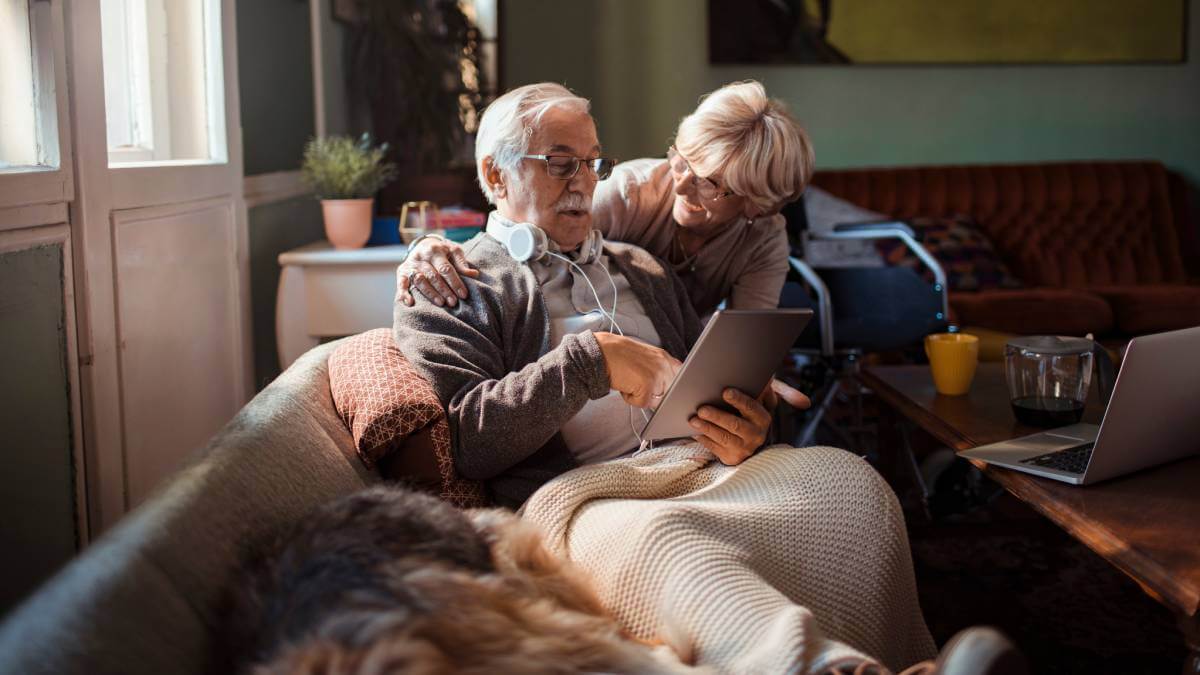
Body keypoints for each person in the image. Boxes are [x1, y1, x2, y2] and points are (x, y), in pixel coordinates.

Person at [392, 82, 1022, 674]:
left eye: (591, 161)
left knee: (849, 485)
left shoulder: (641, 266)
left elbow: (711, 373)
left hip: (695, 463)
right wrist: (592, 359)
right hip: (584, 494)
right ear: (496, 176)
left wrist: (748, 423)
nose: (584, 181)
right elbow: (467, 443)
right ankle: (831, 667)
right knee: (670, 542)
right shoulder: (452, 285)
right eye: (561, 163)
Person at [395, 79, 813, 320]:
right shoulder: (627, 193)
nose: (681, 185)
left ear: (757, 203)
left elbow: (740, 347)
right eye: (681, 160)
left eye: (710, 183)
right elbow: (519, 229)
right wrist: (429, 245)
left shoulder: (764, 236)